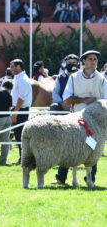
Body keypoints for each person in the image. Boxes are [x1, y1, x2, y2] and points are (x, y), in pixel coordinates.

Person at [51, 50, 107, 185]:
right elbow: (67, 98)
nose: (93, 62)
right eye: (90, 59)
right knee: (68, 146)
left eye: (95, 59)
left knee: (93, 148)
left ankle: (90, 179)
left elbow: (105, 100)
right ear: (84, 61)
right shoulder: (74, 77)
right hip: (76, 118)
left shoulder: (102, 79)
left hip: (95, 122)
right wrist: (85, 100)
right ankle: (61, 177)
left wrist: (95, 105)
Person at [10, 59, 32, 165]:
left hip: (21, 110)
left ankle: (24, 159)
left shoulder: (22, 79)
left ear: (19, 66)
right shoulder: (18, 78)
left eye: (12, 66)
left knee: (20, 135)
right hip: (18, 109)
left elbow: (21, 98)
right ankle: (22, 158)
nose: (11, 69)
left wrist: (15, 112)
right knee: (18, 135)